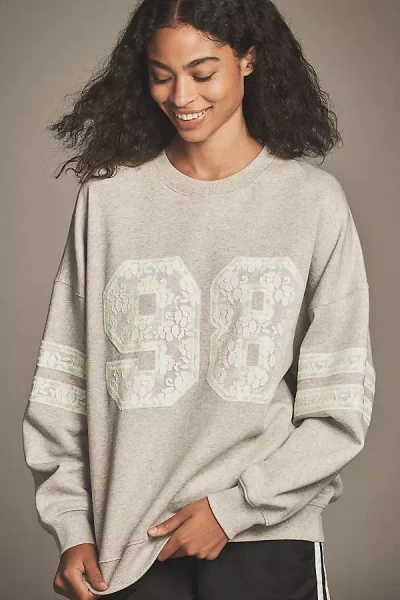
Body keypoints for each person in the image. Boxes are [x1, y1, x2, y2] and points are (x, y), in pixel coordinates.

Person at [21, 1, 376, 599]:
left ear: (249, 60)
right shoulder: (109, 201)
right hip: (128, 543)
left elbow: (338, 404)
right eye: (161, 75)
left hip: (268, 538)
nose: (181, 95)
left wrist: (236, 509)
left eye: (202, 72)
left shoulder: (312, 202)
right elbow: (64, 385)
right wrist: (72, 525)